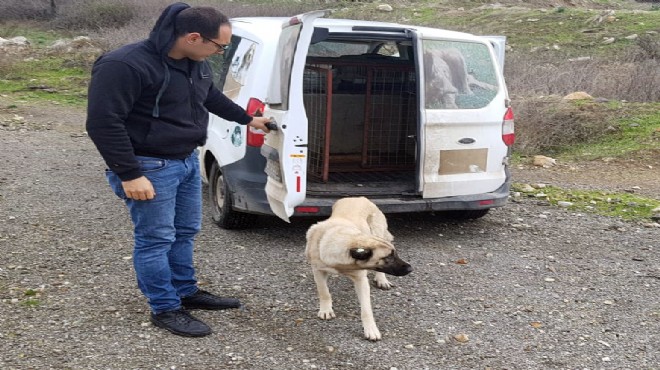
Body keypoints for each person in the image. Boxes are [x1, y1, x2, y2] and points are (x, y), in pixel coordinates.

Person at [86, 2, 271, 337]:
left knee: (185, 232)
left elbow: (211, 97)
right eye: (219, 46)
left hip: (186, 160)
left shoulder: (194, 63)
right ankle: (165, 307)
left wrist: (249, 119)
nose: (220, 52)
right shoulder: (124, 64)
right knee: (155, 239)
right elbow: (102, 123)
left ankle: (185, 291)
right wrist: (129, 174)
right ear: (192, 37)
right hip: (148, 166)